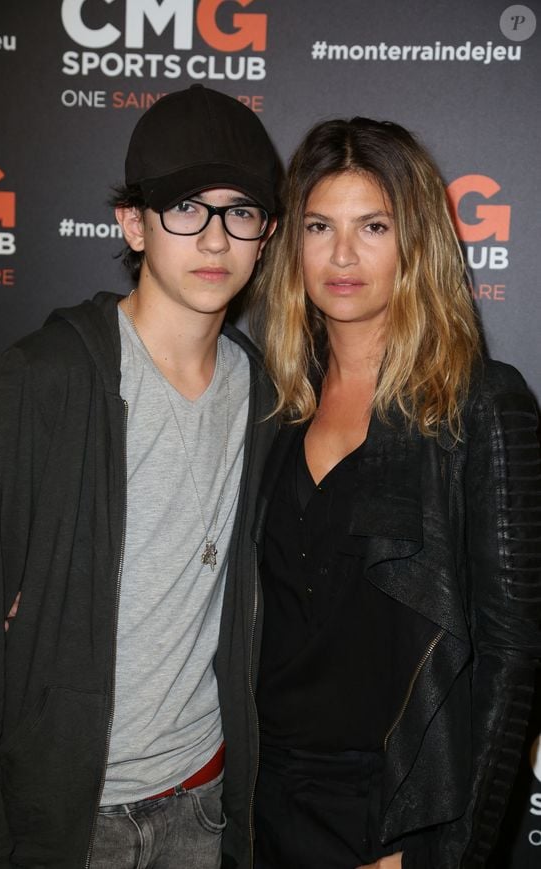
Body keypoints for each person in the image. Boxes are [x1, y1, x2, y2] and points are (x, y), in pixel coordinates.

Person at [0, 84, 280, 868]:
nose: (214, 238)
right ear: (132, 223)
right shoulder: (45, 378)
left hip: (206, 804)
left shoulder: (267, 392)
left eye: (239, 210)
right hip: (71, 820)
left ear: (266, 234)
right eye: (185, 207)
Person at [249, 117, 541, 869]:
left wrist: (445, 845)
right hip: (259, 801)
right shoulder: (271, 403)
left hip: (392, 811)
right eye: (320, 225)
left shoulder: (481, 404)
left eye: (372, 225)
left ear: (415, 240)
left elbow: (513, 653)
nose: (342, 255)